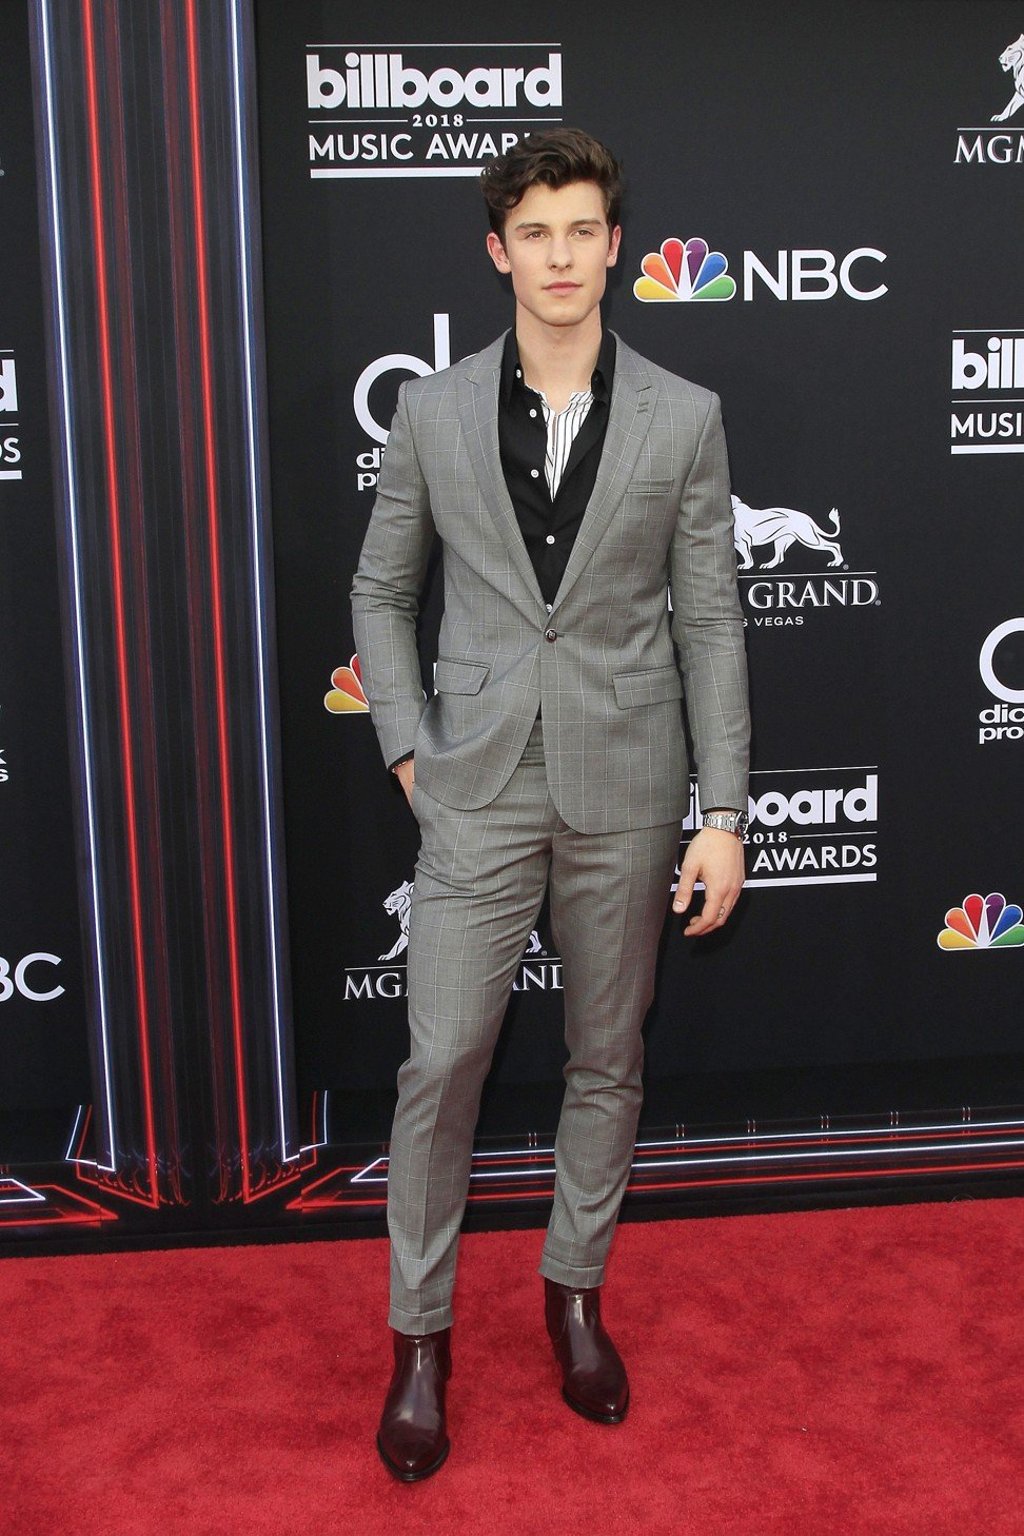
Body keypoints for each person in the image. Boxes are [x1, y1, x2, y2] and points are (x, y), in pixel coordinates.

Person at [351, 128, 750, 1482]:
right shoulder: (432, 412)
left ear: (615, 243)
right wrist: (408, 747)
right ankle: (420, 1335)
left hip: (631, 786)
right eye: (538, 232)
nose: (563, 255)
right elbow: (379, 592)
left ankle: (573, 1293)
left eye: (584, 229)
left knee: (607, 1057)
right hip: (474, 785)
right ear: (498, 249)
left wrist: (724, 810)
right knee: (443, 1058)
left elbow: (710, 620)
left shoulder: (683, 419)